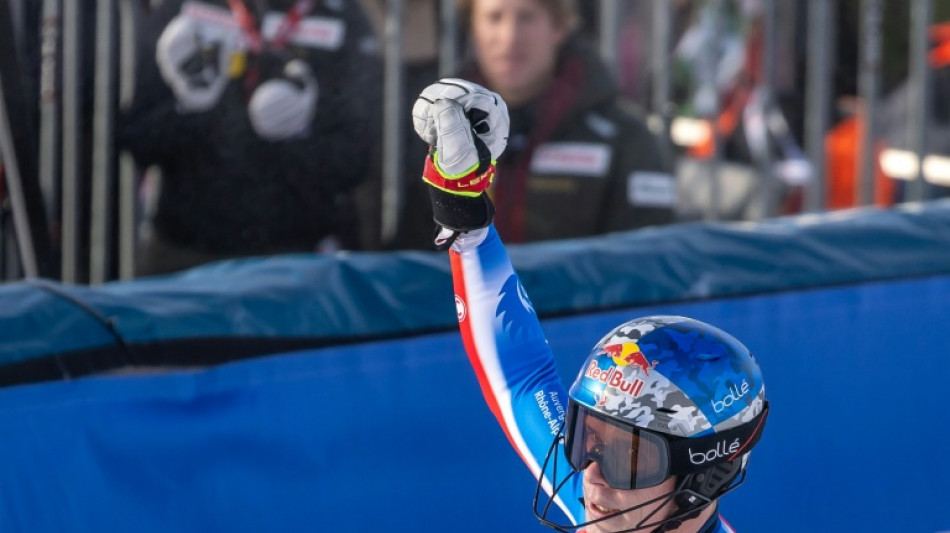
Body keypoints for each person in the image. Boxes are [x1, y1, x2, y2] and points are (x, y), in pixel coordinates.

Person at [410, 78, 769, 532]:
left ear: (704, 477)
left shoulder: (618, 515)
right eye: (586, 440)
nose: (591, 478)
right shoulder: (628, 509)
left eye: (627, 457)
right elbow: (522, 375)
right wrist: (462, 208)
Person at [375, 0, 675, 250]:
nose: (509, 37)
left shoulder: (624, 137)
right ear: (473, 29)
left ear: (558, 28)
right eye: (494, 18)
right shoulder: (434, 131)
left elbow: (646, 259)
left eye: (527, 18)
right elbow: (412, 261)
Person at [120, 0, 382, 275]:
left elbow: (358, 158)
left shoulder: (340, 15)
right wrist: (190, 109)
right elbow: (137, 138)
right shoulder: (186, 8)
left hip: (298, 261)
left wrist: (299, 135)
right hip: (188, 256)